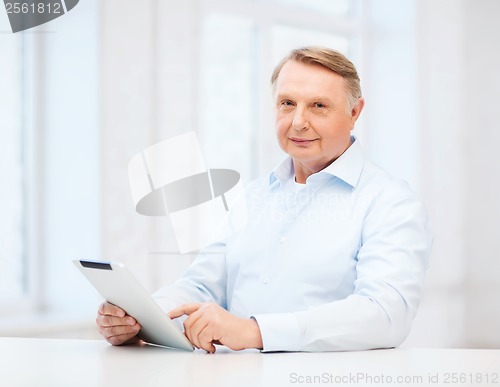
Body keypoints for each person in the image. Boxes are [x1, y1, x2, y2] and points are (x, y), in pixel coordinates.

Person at [96, 47, 432, 353]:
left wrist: (255, 331)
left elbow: (386, 314)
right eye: (287, 103)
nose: (299, 122)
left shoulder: (391, 202)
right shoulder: (255, 195)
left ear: (355, 111)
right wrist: (140, 317)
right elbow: (202, 284)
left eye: (318, 105)